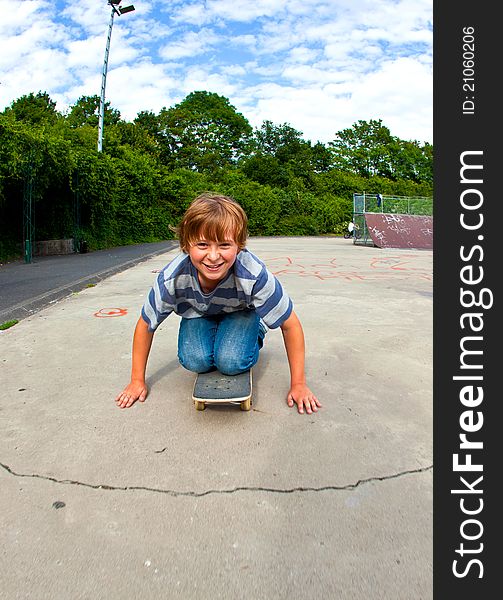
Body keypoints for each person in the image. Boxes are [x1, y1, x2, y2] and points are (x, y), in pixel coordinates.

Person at [115, 193, 321, 415]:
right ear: (186, 244)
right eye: (202, 244)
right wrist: (137, 380)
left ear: (239, 245)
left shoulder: (253, 275)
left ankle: (256, 328)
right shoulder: (172, 278)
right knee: (195, 360)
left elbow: (290, 324)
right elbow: (146, 324)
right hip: (199, 314)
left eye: (224, 245)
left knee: (231, 362)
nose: (213, 256)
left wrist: (298, 384)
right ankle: (218, 333)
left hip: (240, 312)